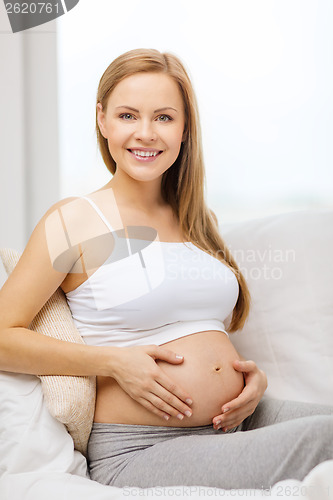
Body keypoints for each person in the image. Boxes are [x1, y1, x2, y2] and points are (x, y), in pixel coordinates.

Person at [0, 48, 332, 491]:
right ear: (102, 121)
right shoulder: (75, 220)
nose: (145, 133)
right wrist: (113, 363)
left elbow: (197, 326)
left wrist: (251, 380)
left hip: (237, 420)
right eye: (127, 115)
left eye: (163, 118)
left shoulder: (197, 220)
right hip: (144, 446)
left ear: (184, 128)